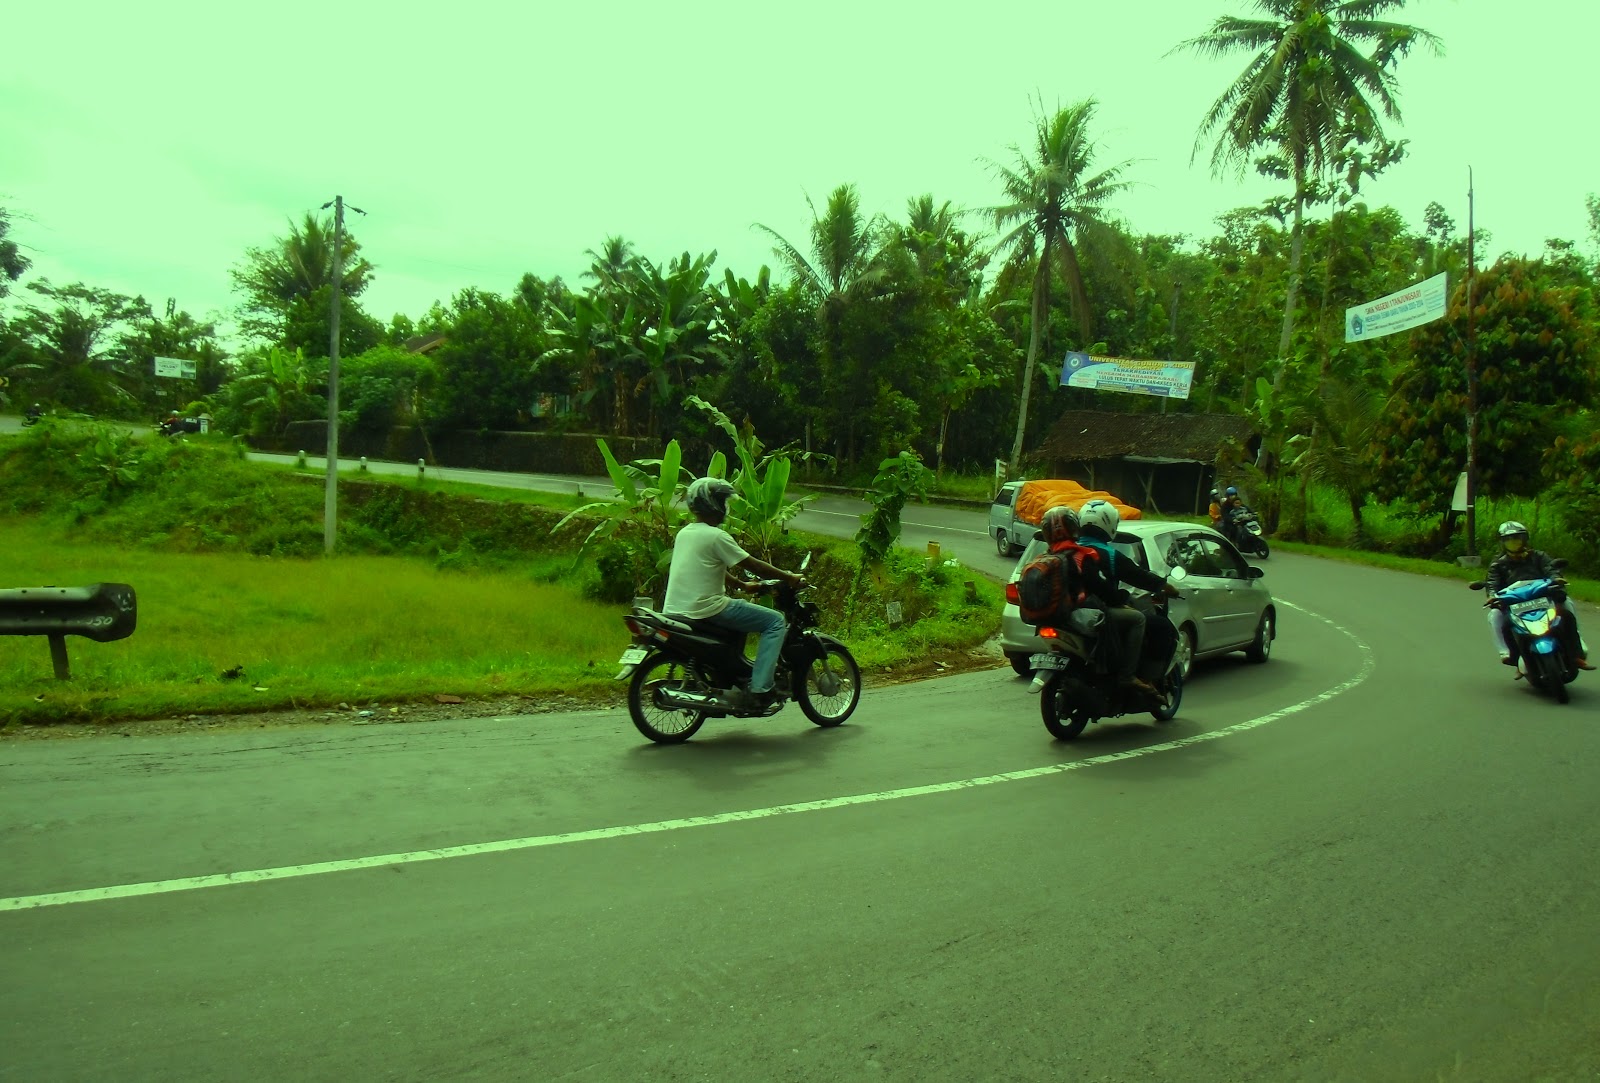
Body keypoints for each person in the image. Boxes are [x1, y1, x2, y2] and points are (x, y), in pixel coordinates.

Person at [661, 477, 807, 709]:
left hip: (676, 609)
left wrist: (741, 585)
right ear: (713, 504)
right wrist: (789, 578)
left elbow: (710, 566)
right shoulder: (716, 536)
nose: (725, 507)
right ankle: (761, 688)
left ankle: (734, 677)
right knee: (775, 621)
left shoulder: (685, 533)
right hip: (707, 609)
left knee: (739, 616)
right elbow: (754, 565)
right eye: (722, 501)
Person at [1074, 499, 1180, 695]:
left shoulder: (1070, 549)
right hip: (1098, 611)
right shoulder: (1109, 555)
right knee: (1151, 623)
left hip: (1071, 612)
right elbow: (1138, 576)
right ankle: (1128, 675)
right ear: (1109, 524)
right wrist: (1164, 586)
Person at [1484, 520, 1592, 670]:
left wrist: (1556, 579)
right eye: (1508, 539)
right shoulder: (1498, 564)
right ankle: (1509, 655)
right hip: (1515, 603)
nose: (1513, 542)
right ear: (1502, 543)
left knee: (1566, 608)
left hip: (1543, 597)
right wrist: (1492, 595)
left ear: (1524, 539)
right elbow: (1492, 583)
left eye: (1516, 538)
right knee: (1496, 616)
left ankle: (1577, 652)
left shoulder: (1539, 556)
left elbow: (1551, 569)